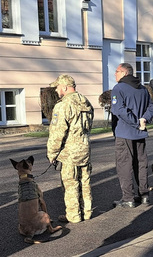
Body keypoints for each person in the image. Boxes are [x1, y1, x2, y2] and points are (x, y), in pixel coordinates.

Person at [47, 74, 94, 223]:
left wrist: (52, 153)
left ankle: (74, 215)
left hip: (70, 153)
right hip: (84, 148)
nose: (56, 90)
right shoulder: (85, 102)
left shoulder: (62, 105)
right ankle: (87, 212)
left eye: (58, 87)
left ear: (65, 87)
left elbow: (57, 132)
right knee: (85, 182)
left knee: (71, 183)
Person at [111, 63, 153, 208]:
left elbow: (119, 110)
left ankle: (128, 198)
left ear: (124, 73)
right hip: (140, 132)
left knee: (124, 165)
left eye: (117, 72)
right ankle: (144, 195)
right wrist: (143, 120)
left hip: (125, 133)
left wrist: (136, 122)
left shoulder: (118, 88)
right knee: (141, 164)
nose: (115, 74)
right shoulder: (142, 88)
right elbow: (151, 107)